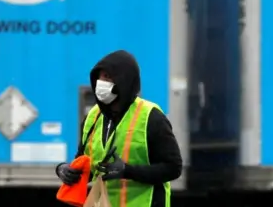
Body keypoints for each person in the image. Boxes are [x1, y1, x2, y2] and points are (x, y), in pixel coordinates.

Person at [56, 50, 182, 207]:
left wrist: (127, 171)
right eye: (100, 77)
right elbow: (86, 165)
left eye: (108, 77)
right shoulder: (93, 117)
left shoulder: (151, 117)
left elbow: (173, 168)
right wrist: (64, 170)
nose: (101, 82)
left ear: (124, 81)